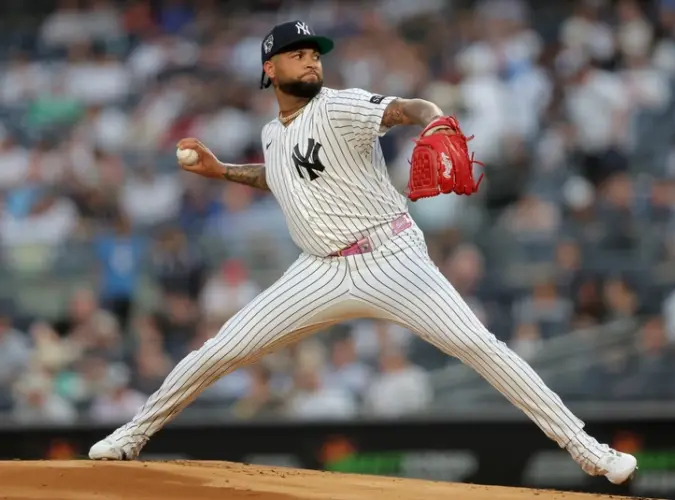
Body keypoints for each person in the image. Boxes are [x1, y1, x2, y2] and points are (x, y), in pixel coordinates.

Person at [88, 20, 637, 485]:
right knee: (219, 351)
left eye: (313, 54)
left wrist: (434, 118)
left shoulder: (340, 106)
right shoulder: (271, 134)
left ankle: (588, 449)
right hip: (319, 270)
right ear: (268, 71)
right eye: (295, 55)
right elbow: (284, 178)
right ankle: (131, 434)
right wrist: (222, 171)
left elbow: (406, 107)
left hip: (392, 257)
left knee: (478, 344)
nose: (309, 62)